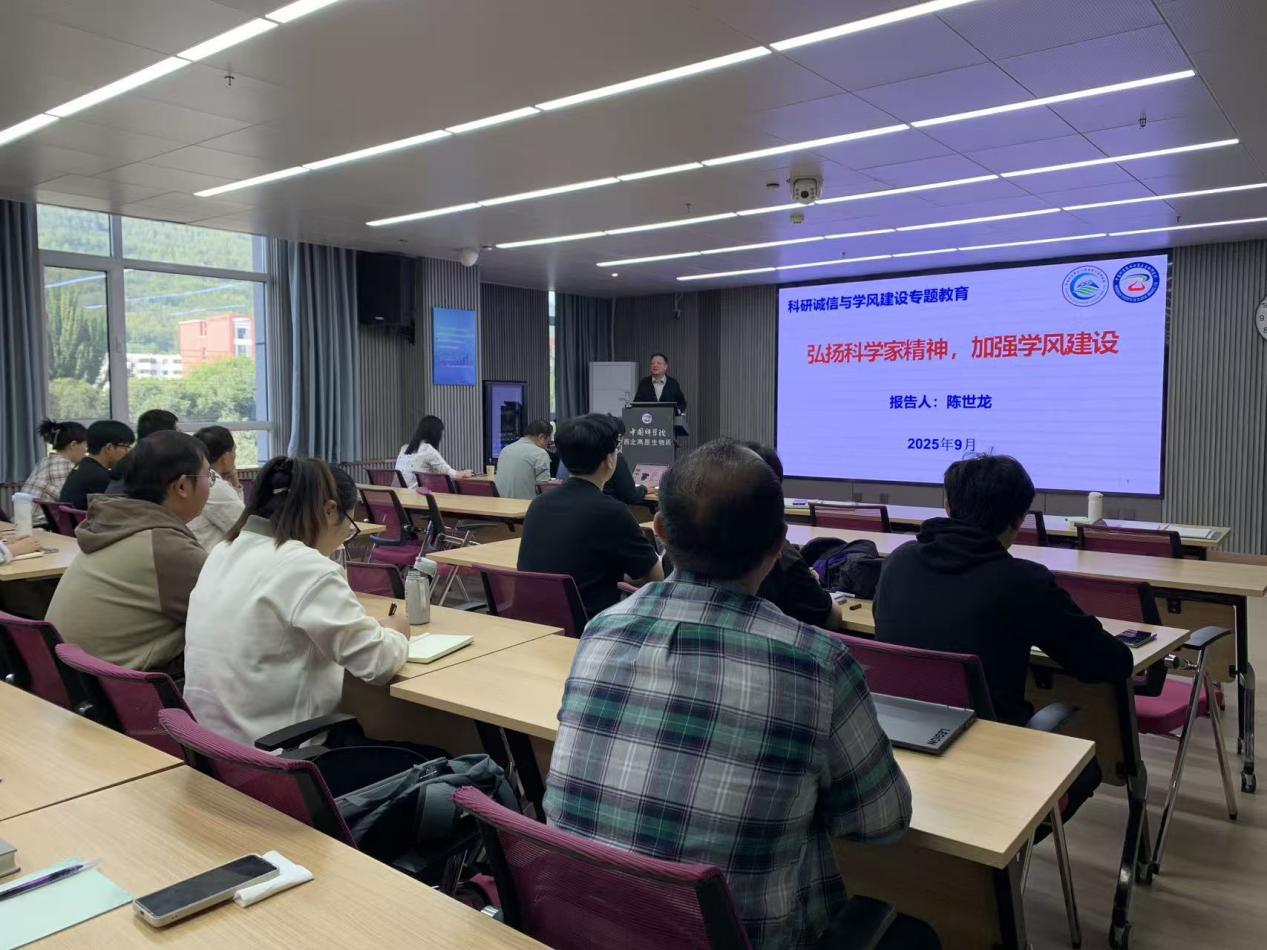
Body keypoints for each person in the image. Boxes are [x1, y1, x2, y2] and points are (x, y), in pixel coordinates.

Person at [546, 440, 929, 950]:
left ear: (658, 530)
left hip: (586, 926)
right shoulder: (817, 662)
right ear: (779, 544)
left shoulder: (602, 630)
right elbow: (880, 823)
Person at [874, 455, 1134, 726]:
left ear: (948, 506)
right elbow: (1107, 663)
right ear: (1019, 520)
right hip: (990, 741)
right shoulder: (1024, 582)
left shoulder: (898, 561)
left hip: (898, 732)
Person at [183, 457, 411, 748]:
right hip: (281, 756)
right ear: (330, 510)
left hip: (215, 748)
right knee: (438, 757)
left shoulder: (223, 551)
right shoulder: (305, 566)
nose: (343, 540)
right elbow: (378, 663)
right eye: (349, 527)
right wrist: (395, 630)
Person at [46, 430, 210, 673]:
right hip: (120, 686)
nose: (210, 485)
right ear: (182, 486)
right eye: (208, 476)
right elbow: (235, 614)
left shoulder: (118, 524)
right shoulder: (164, 546)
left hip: (74, 680)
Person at [518, 414, 661, 619]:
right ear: (609, 460)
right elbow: (656, 577)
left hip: (533, 621)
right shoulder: (612, 512)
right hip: (591, 626)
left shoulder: (538, 504)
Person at [187, 426, 245, 550]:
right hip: (206, 557)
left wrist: (235, 484)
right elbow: (244, 528)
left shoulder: (197, 477)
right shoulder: (215, 486)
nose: (235, 456)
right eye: (234, 451)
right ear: (225, 458)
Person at [22, 419, 88, 524]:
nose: (86, 450)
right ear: (73, 445)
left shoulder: (46, 461)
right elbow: (70, 503)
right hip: (38, 525)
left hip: (23, 521)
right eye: (85, 445)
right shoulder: (64, 465)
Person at [58, 419, 135, 510]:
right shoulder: (100, 477)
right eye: (126, 447)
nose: (127, 452)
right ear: (109, 448)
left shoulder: (83, 468)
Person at [106, 408, 178, 496]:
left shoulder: (134, 457)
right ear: (163, 436)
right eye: (176, 430)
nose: (179, 435)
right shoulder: (145, 463)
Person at [395, 415, 473, 488]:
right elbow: (450, 473)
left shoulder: (404, 448)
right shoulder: (428, 450)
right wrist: (464, 473)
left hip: (398, 494)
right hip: (417, 494)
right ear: (435, 434)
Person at [494, 420, 552, 499]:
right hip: (526, 505)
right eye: (548, 443)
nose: (547, 447)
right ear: (541, 437)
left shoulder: (505, 450)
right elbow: (543, 490)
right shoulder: (540, 454)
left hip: (501, 504)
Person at [599, 416, 647, 506]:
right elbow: (631, 496)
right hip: (611, 507)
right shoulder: (615, 457)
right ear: (619, 436)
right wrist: (644, 489)